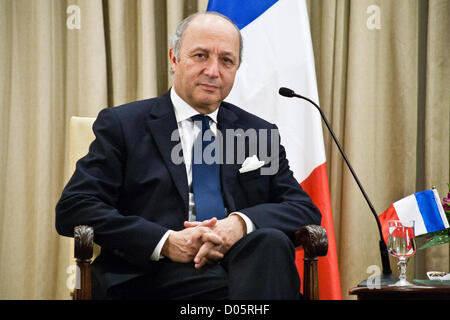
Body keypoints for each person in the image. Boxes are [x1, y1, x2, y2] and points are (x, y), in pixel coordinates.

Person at [55, 12, 321, 300]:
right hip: (151, 275)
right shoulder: (123, 125)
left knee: (268, 242)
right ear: (174, 58)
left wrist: (239, 223)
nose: (213, 71)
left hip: (240, 266)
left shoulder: (258, 132)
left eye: (226, 61)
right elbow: (75, 207)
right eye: (200, 56)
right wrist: (165, 242)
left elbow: (302, 209)